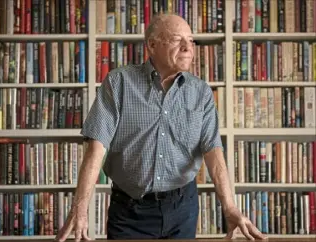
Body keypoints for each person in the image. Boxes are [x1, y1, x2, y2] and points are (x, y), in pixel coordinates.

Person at [55, 14, 267, 241]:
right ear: (152, 45)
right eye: (177, 39)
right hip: (129, 211)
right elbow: (96, 148)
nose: (187, 47)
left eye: (191, 40)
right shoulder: (119, 83)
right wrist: (80, 208)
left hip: (182, 207)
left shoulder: (201, 92)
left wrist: (230, 207)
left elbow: (213, 150)